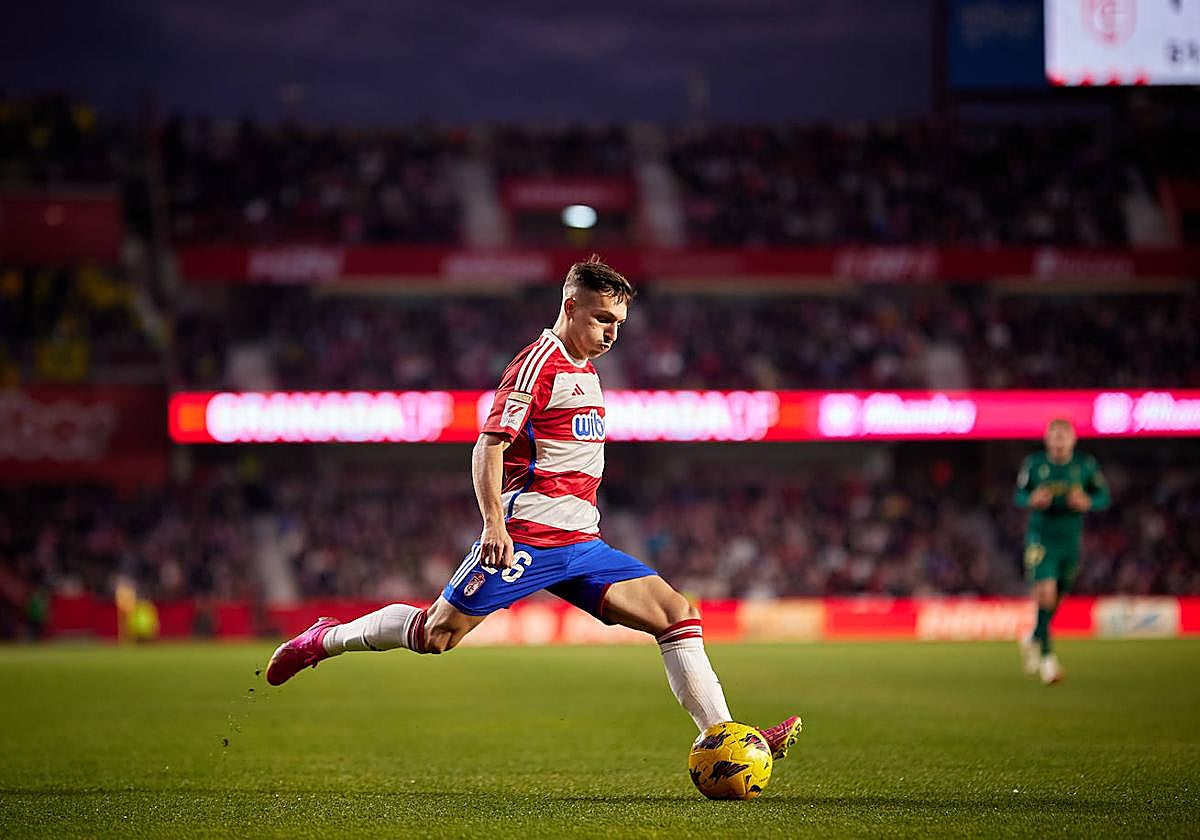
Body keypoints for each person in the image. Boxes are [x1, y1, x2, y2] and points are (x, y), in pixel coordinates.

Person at [265, 256, 802, 758]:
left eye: (619, 322)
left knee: (677, 615)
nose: (612, 333)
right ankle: (324, 638)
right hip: (527, 537)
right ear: (570, 307)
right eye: (602, 319)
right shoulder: (538, 365)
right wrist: (494, 524)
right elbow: (489, 445)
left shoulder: (587, 369)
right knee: (436, 634)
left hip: (582, 544)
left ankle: (725, 740)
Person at [1014, 418, 1110, 684]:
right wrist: (1031, 499)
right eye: (1054, 436)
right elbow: (1019, 495)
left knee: (1057, 596)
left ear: (1072, 440)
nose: (1058, 442)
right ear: (1047, 440)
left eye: (1063, 436)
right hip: (1041, 539)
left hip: (1069, 542)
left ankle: (1035, 635)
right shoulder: (1035, 465)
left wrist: (1088, 502)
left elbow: (1104, 497)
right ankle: (1048, 661)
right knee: (1045, 594)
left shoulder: (1084, 466)